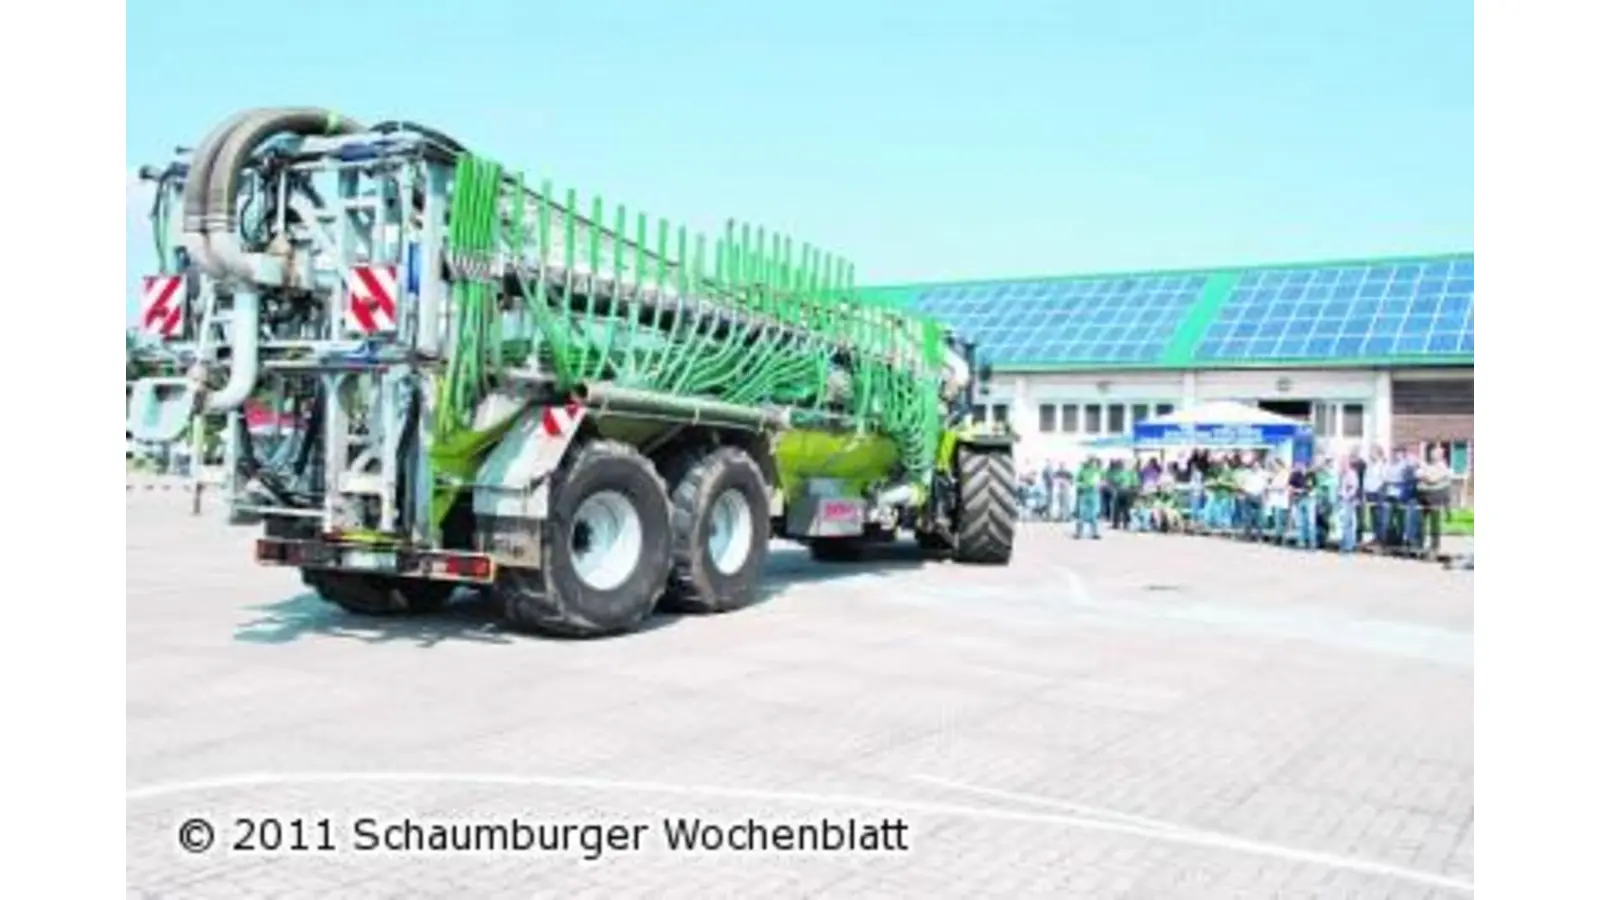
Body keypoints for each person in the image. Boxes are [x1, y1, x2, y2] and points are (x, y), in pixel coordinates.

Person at [1416, 443, 1453, 557]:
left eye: (1437, 453)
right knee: (1421, 523)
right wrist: (1428, 476)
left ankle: (1434, 546)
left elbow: (1434, 478)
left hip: (1436, 498)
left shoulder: (1443, 466)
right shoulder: (1424, 464)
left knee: (1434, 524)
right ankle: (1419, 544)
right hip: (1423, 497)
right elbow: (1418, 475)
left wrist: (1427, 477)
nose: (1435, 455)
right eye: (1433, 452)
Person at [1074, 456, 1104, 540]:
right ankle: (1078, 533)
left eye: (1094, 462)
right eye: (1092, 462)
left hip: (1094, 495)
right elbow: (1077, 482)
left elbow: (1103, 481)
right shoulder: (1082, 471)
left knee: (1094, 514)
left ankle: (1095, 533)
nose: (1093, 464)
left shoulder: (1099, 471)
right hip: (1085, 494)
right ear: (1089, 462)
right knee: (1082, 513)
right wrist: (1083, 485)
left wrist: (1100, 485)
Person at [1238, 458, 1267, 541]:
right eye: (1254, 465)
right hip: (1249, 495)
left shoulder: (1263, 474)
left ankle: (1259, 536)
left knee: (1260, 518)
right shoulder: (1247, 474)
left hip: (1259, 496)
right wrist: (1244, 493)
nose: (1255, 467)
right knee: (1248, 518)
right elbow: (1242, 485)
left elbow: (1265, 486)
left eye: (1257, 465)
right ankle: (1247, 536)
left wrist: (1264, 496)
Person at [1337, 456, 1361, 554]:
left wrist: (1347, 496)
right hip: (1342, 500)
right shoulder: (1342, 474)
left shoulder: (1351, 474)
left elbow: (1353, 488)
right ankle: (1345, 544)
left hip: (1349, 501)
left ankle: (1349, 546)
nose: (1341, 466)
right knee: (1344, 524)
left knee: (1348, 524)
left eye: (1343, 464)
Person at [1264, 459, 1291, 543]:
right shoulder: (1276, 475)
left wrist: (1271, 487)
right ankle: (1278, 537)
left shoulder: (1285, 474)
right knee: (1277, 519)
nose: (1274, 467)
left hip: (1282, 500)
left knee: (1280, 520)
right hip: (1275, 500)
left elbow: (1283, 486)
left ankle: (1279, 538)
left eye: (1275, 465)